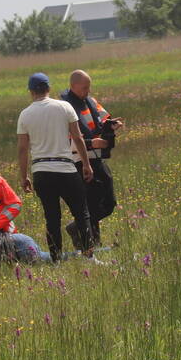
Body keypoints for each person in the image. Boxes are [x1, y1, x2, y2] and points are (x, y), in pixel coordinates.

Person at [17, 72, 95, 261]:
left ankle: (56, 259)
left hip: (41, 172)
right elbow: (77, 137)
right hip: (66, 169)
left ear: (30, 92)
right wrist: (86, 164)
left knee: (52, 218)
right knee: (81, 213)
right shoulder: (64, 106)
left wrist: (24, 176)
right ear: (49, 88)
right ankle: (88, 256)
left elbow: (22, 148)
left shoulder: (25, 114)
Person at [60, 70, 123, 247]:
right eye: (84, 88)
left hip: (97, 160)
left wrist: (112, 125)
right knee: (90, 203)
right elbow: (65, 138)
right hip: (80, 161)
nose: (87, 91)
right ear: (73, 86)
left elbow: (103, 120)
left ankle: (77, 227)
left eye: (89, 87)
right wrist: (91, 143)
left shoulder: (91, 101)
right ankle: (91, 242)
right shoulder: (64, 107)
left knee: (109, 202)